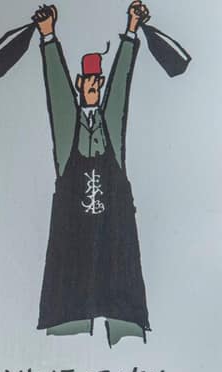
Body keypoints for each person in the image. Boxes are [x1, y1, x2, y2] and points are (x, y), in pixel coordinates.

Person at [33, 2, 152, 345]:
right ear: (79, 82)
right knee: (69, 327)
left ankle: (126, 338)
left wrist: (131, 31)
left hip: (114, 239)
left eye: (98, 82)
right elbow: (57, 93)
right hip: (73, 241)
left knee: (124, 322)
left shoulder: (109, 126)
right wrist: (48, 36)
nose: (94, 87)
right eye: (89, 82)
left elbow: (121, 88)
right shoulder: (68, 128)